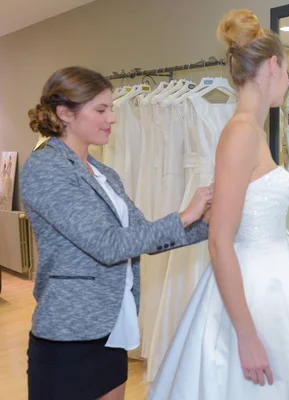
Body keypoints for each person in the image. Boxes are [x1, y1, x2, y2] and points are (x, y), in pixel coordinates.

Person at [148, 9, 289, 400]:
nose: (287, 80)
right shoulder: (241, 133)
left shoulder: (252, 131)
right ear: (272, 66)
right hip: (253, 284)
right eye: (287, 71)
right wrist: (246, 336)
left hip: (271, 278)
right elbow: (220, 241)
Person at [21, 66, 213, 400]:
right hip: (68, 336)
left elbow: (143, 235)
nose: (112, 118)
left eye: (111, 108)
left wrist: (208, 225)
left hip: (111, 329)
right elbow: (107, 246)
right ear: (64, 113)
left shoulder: (103, 172)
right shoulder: (44, 168)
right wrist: (184, 216)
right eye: (101, 110)